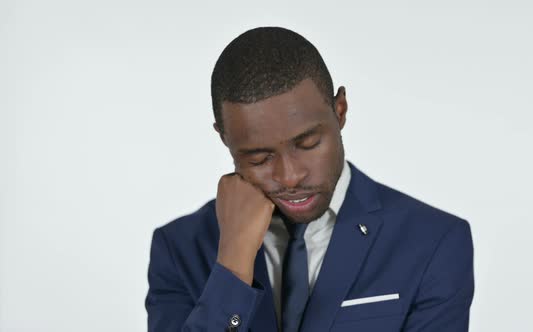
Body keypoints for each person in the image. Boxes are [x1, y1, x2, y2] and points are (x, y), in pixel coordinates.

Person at [145, 26, 474, 332]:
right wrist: (232, 264)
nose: (290, 177)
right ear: (225, 138)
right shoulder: (179, 248)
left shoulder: (433, 241)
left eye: (308, 144)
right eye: (259, 158)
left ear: (340, 110)